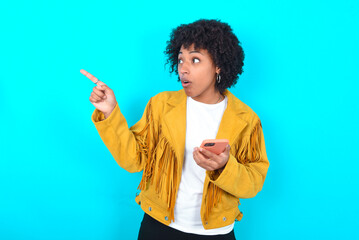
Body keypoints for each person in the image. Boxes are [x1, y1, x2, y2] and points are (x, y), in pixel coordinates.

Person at [81, 19, 269, 240]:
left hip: (216, 233)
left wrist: (225, 167)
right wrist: (110, 113)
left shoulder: (246, 119)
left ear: (218, 65)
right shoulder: (161, 105)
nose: (184, 69)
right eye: (181, 60)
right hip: (157, 227)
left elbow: (253, 182)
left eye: (195, 60)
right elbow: (133, 160)